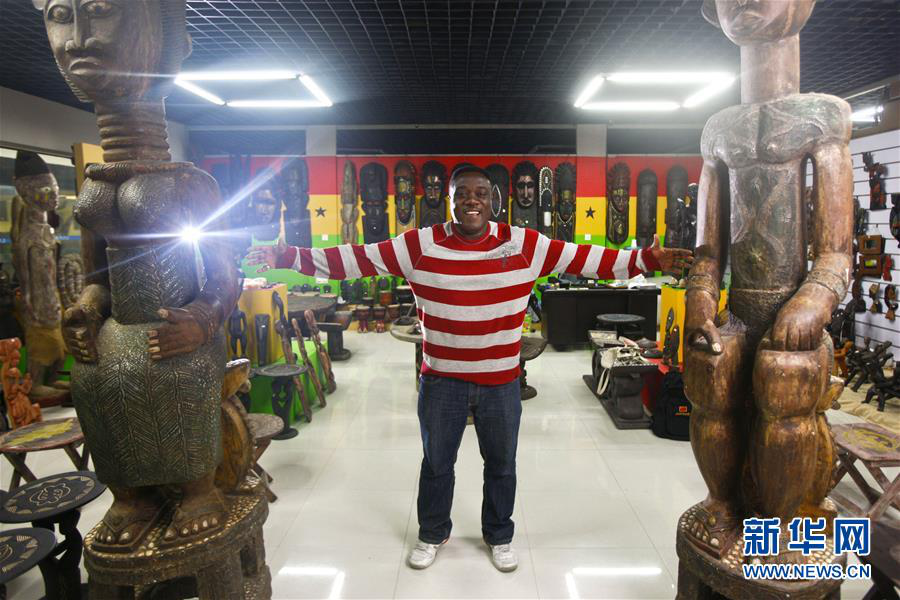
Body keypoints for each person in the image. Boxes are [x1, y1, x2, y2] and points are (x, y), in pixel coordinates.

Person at [248, 164, 693, 572]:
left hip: (501, 384)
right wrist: (288, 257)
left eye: (481, 193)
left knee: (501, 466)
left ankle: (499, 535)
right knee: (437, 464)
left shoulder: (525, 245)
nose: (472, 201)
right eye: (462, 193)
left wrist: (648, 260)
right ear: (450, 200)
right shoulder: (419, 245)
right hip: (441, 382)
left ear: (493, 200)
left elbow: (588, 260)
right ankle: (432, 533)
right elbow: (355, 259)